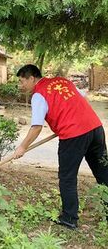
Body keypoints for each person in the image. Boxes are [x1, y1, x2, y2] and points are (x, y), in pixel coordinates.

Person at [13, 64, 108, 229]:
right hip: (95, 128)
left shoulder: (38, 95)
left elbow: (36, 127)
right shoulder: (62, 81)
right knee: (103, 173)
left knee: (67, 177)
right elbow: (83, 98)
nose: (21, 86)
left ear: (32, 78)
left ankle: (69, 218)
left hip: (74, 134)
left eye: (22, 82)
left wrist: (22, 147)